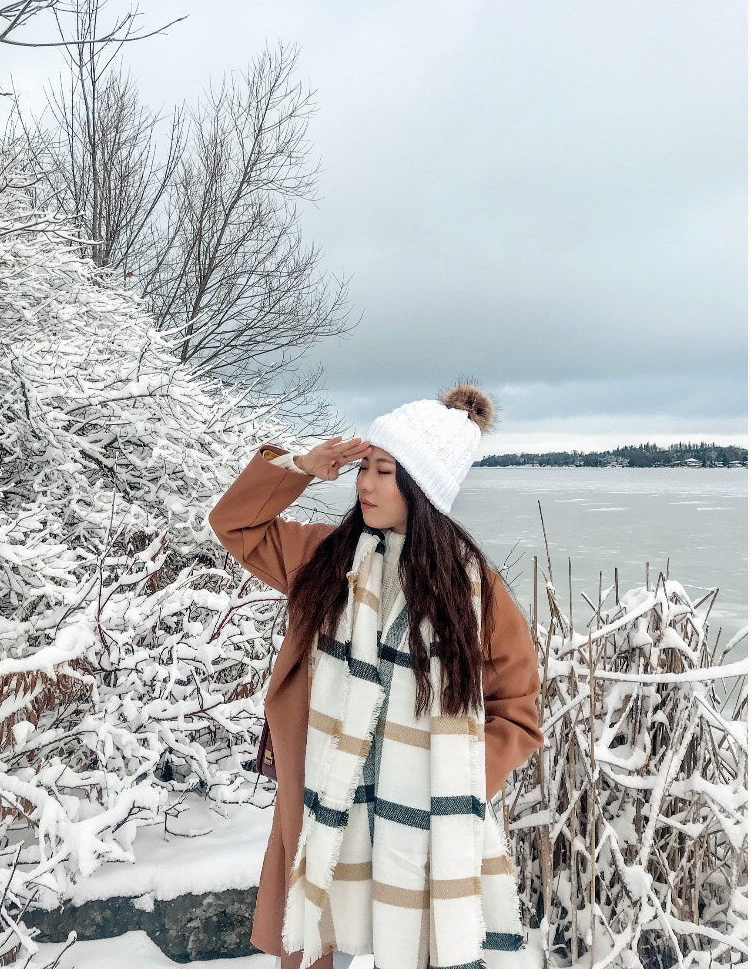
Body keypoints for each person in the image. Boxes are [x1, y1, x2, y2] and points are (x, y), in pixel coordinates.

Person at [208, 382, 544, 969]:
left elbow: (517, 709)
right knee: (317, 946)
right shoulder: (326, 558)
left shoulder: (475, 594)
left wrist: (454, 789)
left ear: (422, 486)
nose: (365, 482)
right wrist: (300, 468)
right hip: (323, 803)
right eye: (364, 466)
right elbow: (234, 524)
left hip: (416, 826)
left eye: (384, 470)